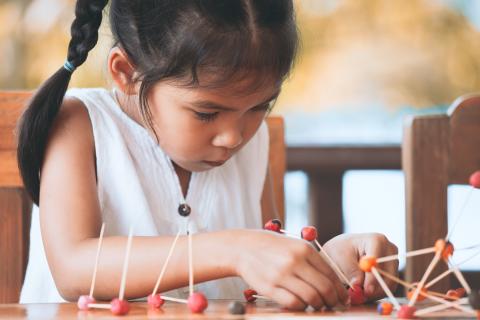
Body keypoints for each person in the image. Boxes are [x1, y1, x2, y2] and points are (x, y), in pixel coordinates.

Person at [17, 0, 398, 310]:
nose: (234, 137)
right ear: (127, 74)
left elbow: (258, 270)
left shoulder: (254, 141)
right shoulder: (79, 124)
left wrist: (326, 266)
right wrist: (236, 249)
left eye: (258, 107)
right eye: (206, 113)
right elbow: (74, 268)